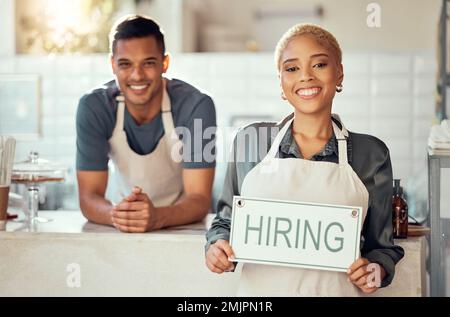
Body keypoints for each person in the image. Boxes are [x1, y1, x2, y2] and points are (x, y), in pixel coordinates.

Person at [205, 23, 404, 296]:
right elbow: (225, 224)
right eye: (291, 68)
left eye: (319, 65)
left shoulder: (372, 154)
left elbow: (380, 247)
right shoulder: (250, 141)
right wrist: (217, 247)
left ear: (339, 73)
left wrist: (375, 269)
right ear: (281, 81)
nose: (306, 77)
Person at [76, 15, 216, 233]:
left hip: (183, 227)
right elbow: (88, 197)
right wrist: (117, 215)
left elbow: (199, 200)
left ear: (165, 63)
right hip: (123, 225)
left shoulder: (197, 106)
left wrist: (157, 218)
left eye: (148, 63)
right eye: (125, 64)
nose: (137, 75)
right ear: (113, 64)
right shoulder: (94, 107)